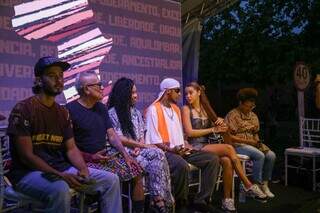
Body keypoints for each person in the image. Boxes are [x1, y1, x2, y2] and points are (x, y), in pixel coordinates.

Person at [6, 56, 122, 213]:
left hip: (61, 169)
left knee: (111, 180)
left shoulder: (62, 112)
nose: (59, 80)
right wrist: (59, 175)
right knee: (60, 188)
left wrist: (83, 169)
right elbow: (27, 156)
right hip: (27, 174)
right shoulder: (24, 109)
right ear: (39, 81)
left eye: (60, 76)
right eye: (52, 76)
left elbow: (71, 148)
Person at [66, 72, 144, 213]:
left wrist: (126, 155)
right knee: (112, 178)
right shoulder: (70, 110)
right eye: (98, 85)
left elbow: (112, 135)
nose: (102, 88)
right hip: (83, 161)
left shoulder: (101, 108)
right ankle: (93, 200)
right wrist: (90, 157)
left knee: (135, 168)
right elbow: (68, 147)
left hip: (103, 158)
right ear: (86, 89)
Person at [182, 82, 268, 211]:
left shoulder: (206, 109)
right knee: (229, 149)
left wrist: (220, 123)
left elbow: (217, 125)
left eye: (191, 93)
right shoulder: (186, 109)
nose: (188, 96)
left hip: (208, 145)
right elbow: (189, 132)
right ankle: (247, 184)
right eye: (186, 93)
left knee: (227, 161)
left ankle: (227, 200)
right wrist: (213, 129)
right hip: (195, 146)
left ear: (199, 93)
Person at [145, 78, 220, 212]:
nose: (180, 94)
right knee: (182, 166)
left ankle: (201, 199)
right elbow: (154, 140)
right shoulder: (153, 110)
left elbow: (179, 134)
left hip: (180, 149)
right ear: (168, 92)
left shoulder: (176, 109)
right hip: (165, 152)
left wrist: (184, 145)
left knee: (212, 159)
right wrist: (172, 150)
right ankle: (181, 203)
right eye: (177, 91)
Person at [107, 77, 174, 213]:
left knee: (159, 154)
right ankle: (161, 201)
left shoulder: (136, 113)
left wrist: (140, 145)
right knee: (152, 161)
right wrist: (142, 147)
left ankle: (158, 198)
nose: (136, 96)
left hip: (136, 149)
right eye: (132, 93)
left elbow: (141, 136)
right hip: (120, 152)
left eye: (136, 92)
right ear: (124, 94)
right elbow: (119, 138)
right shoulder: (112, 113)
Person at [225, 88, 276, 198]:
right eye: (248, 106)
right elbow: (229, 137)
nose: (250, 109)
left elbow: (255, 133)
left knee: (271, 155)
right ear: (241, 103)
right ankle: (255, 185)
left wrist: (257, 142)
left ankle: (265, 184)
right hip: (238, 145)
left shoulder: (253, 116)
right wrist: (249, 142)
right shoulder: (233, 115)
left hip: (252, 142)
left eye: (252, 106)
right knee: (259, 155)